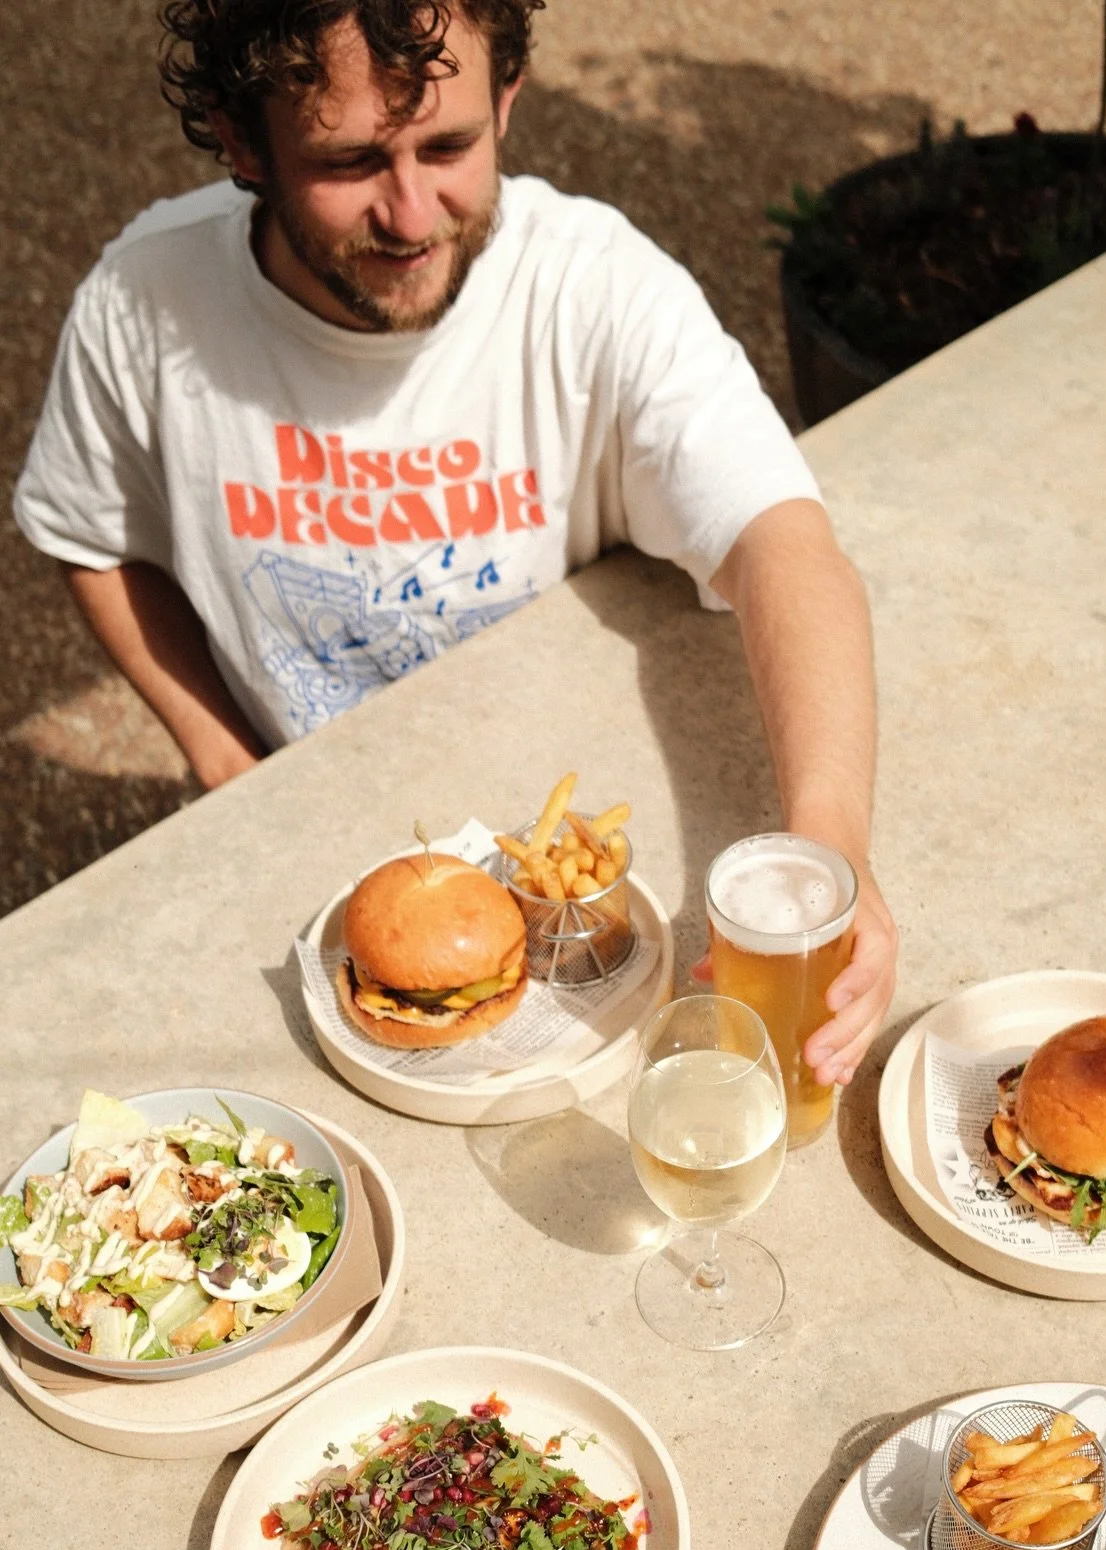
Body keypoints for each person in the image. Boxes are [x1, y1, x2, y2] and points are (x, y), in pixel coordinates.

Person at [13, 0, 895, 1087]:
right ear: (241, 142)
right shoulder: (141, 307)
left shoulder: (596, 289)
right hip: (310, 877)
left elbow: (787, 548)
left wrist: (831, 853)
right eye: (348, 161)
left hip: (578, 925)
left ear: (508, 100)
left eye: (449, 144)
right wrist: (223, 763)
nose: (411, 212)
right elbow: (86, 532)